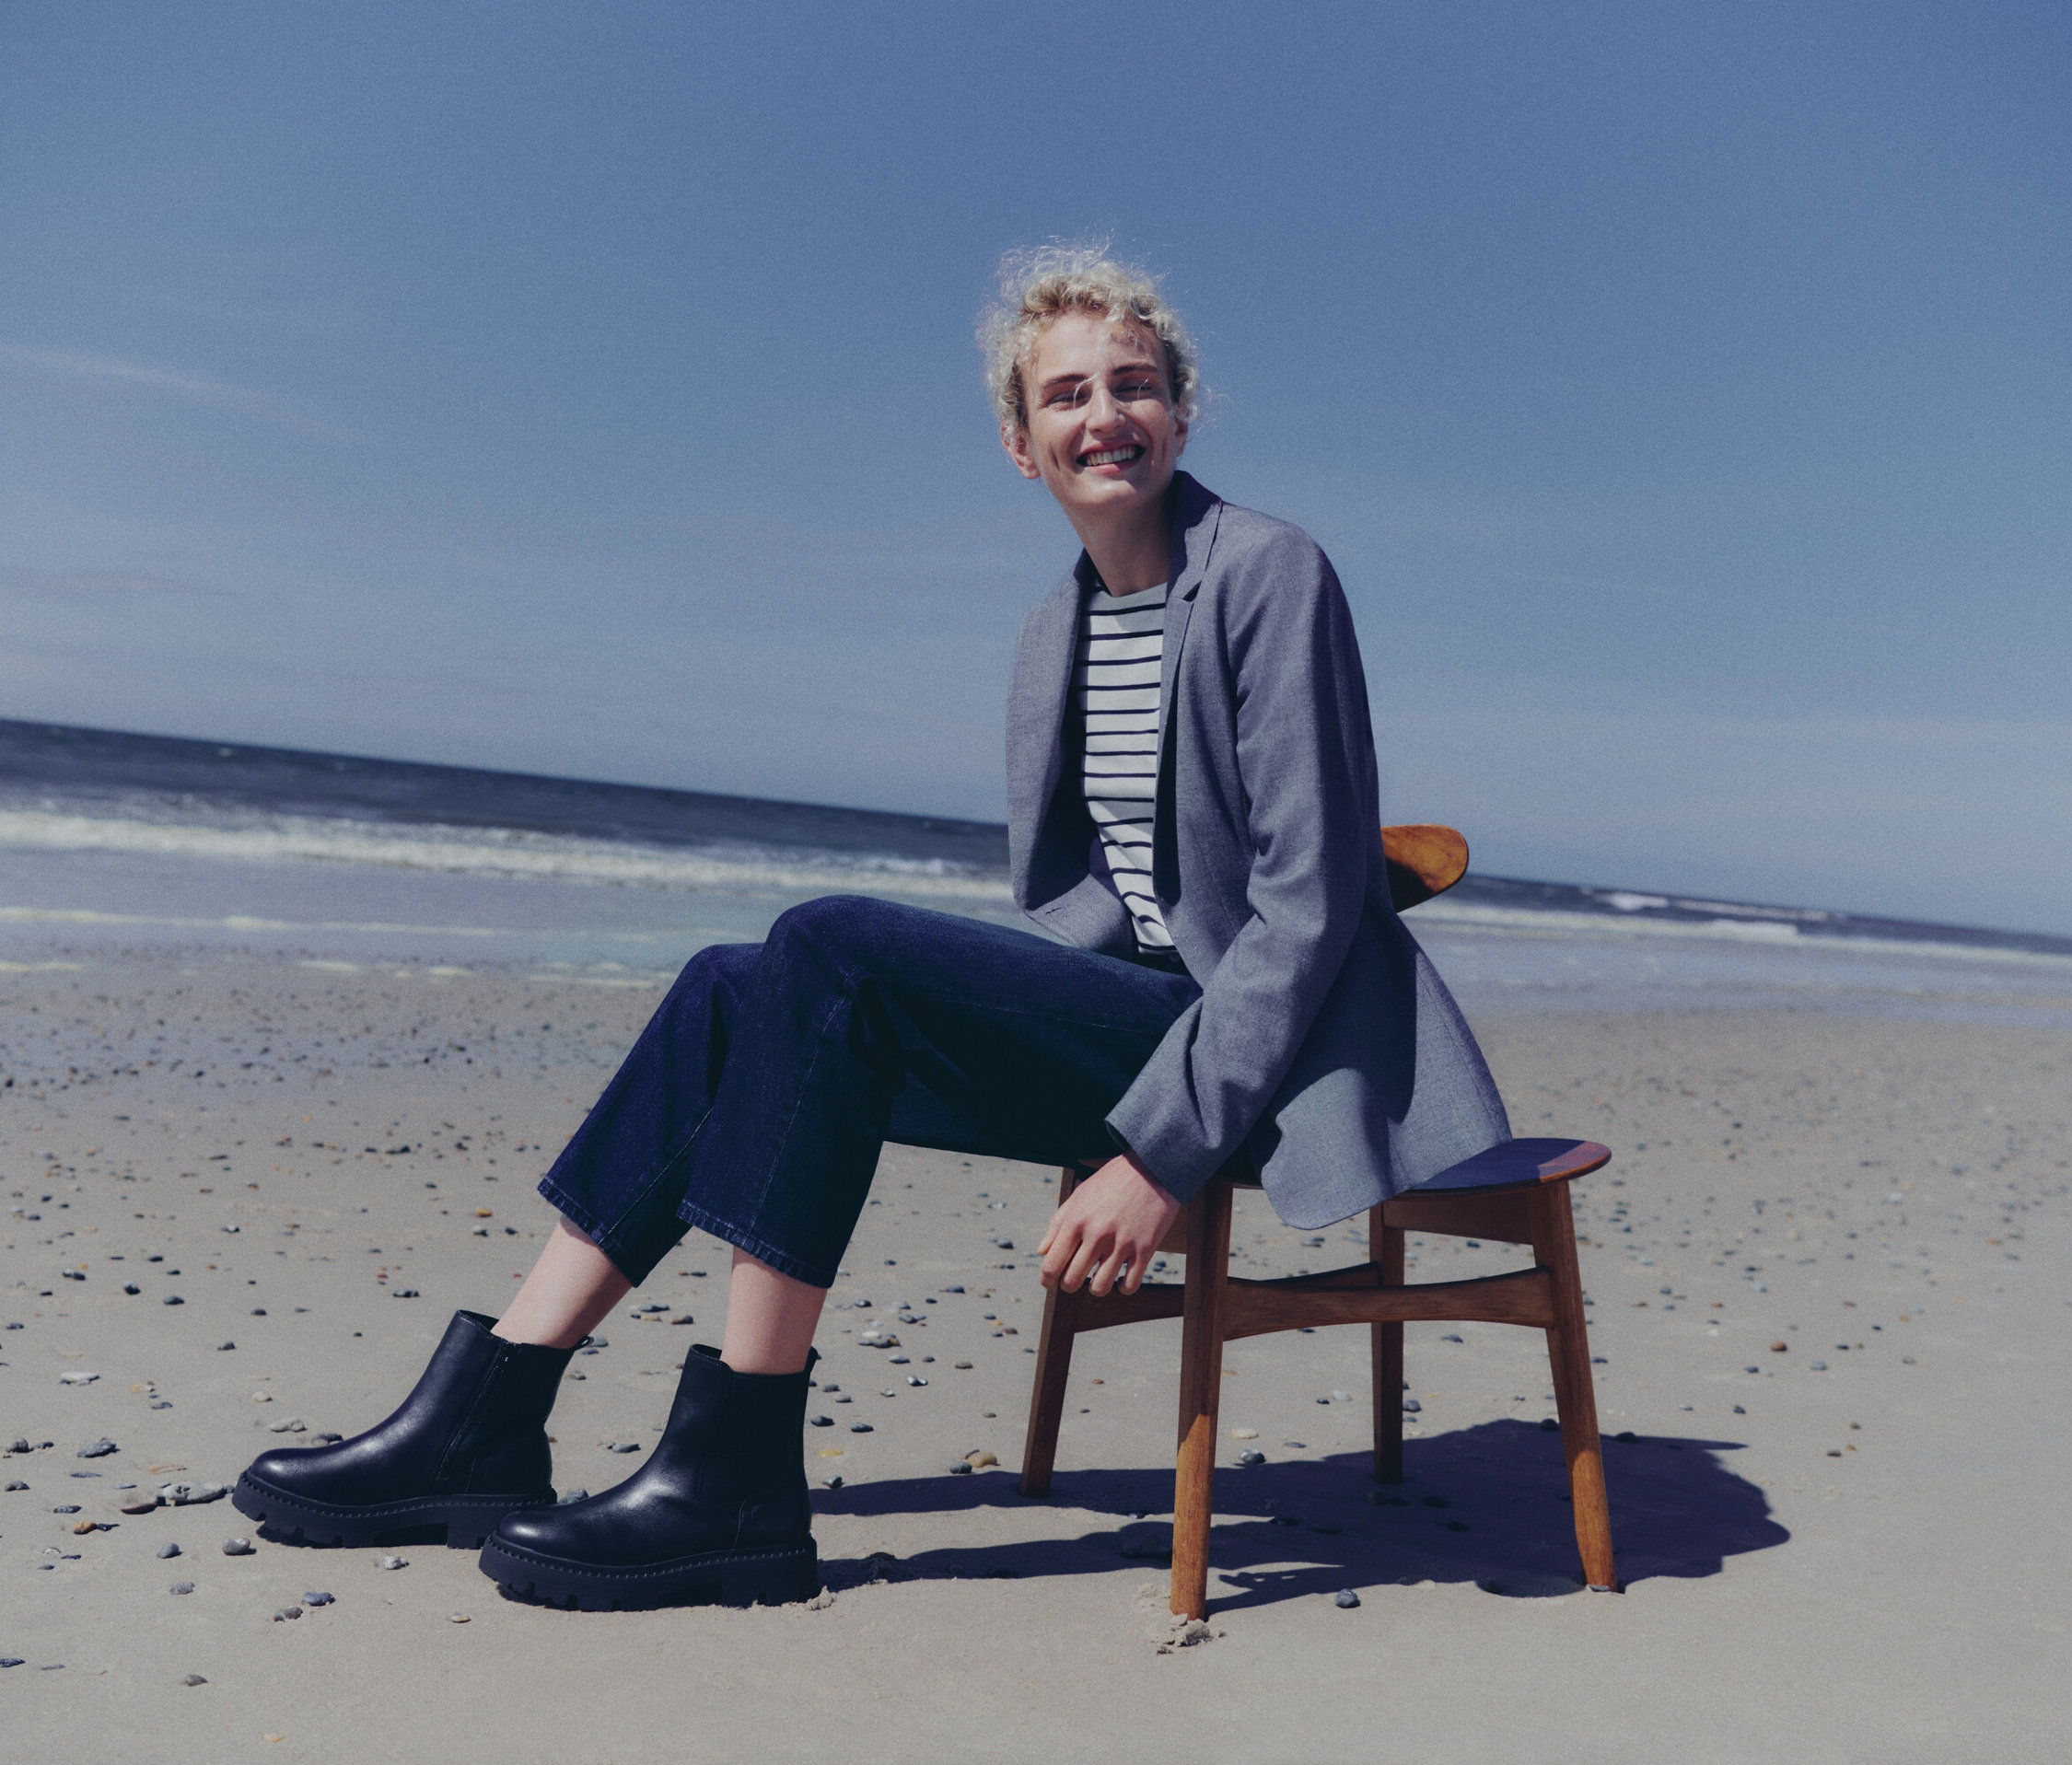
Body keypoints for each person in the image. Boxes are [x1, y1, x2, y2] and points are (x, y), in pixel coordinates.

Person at [233, 246, 1510, 1610]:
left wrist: (1157, 1154)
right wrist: (944, 1005)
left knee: (827, 944)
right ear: (1023, 447)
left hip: (1275, 1063)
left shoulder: (1266, 573)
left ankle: (737, 1467)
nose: (1103, 415)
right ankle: (490, 1408)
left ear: (1181, 414)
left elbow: (1305, 908)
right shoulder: (1053, 632)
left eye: (1132, 385)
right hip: (1139, 1018)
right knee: (744, 982)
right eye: (1066, 395)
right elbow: (1091, 897)